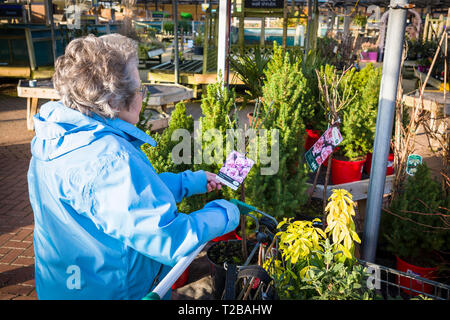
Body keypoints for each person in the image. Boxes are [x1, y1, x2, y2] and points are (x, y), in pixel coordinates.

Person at [27, 34, 240, 300]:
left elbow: (117, 200)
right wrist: (227, 213)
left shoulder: (58, 138)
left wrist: (189, 182)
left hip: (62, 287)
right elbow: (171, 238)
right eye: (140, 89)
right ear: (115, 100)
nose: (142, 96)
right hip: (111, 292)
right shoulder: (109, 159)